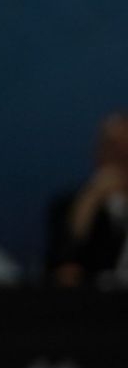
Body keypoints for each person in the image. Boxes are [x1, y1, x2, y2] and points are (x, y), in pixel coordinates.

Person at [47, 110, 128, 286]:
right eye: (111, 147)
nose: (118, 158)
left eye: (124, 149)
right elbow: (62, 267)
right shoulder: (69, 204)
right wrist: (89, 202)